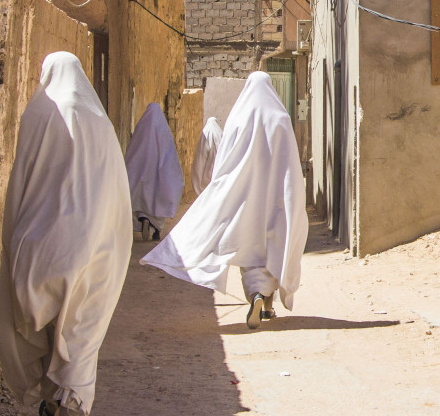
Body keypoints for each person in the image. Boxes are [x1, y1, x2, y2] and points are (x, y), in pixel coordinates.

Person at [0, 52, 132, 416]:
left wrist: (17, 241)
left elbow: (20, 181)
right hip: (91, 246)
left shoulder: (37, 113)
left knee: (44, 328)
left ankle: (50, 403)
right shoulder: (100, 123)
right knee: (80, 334)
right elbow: (115, 194)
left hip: (38, 245)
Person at [143, 72, 308, 329]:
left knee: (249, 248)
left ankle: (254, 295)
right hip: (276, 200)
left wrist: (221, 193)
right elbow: (291, 166)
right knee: (273, 248)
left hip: (245, 200)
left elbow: (223, 163)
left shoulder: (238, 119)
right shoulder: (281, 119)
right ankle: (267, 306)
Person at [124, 102, 184, 239]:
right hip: (157, 178)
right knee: (157, 204)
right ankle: (156, 231)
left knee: (138, 201)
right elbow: (170, 158)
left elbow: (132, 154)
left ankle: (141, 221)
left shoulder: (141, 130)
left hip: (140, 177)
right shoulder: (163, 133)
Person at [191, 116, 223, 195]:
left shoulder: (206, 133)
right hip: (218, 169)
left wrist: (197, 183)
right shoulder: (220, 133)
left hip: (207, 172)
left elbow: (201, 156)